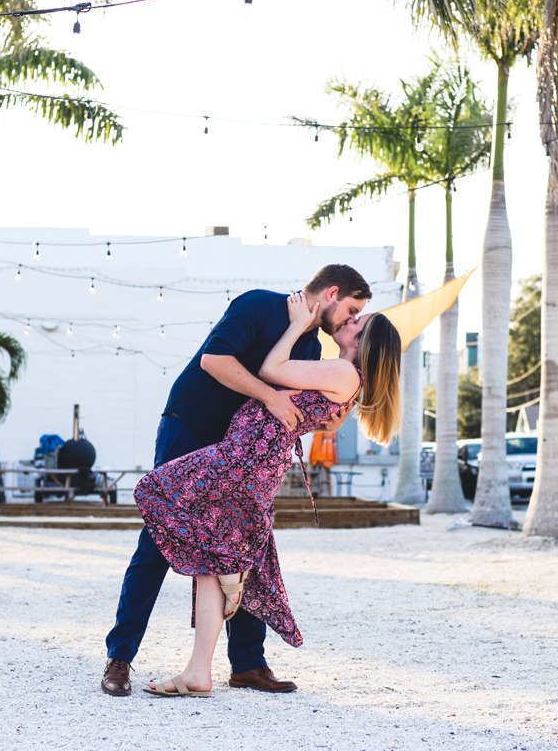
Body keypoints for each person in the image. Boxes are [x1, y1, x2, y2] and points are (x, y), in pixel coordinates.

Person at [102, 265, 372, 697]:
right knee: (157, 540)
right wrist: (270, 398)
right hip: (191, 425)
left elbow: (296, 404)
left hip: (239, 450)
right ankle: (120, 658)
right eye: (351, 310)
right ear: (332, 293)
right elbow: (215, 361)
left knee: (245, 542)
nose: (347, 320)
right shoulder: (258, 304)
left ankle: (247, 664)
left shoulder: (309, 343)